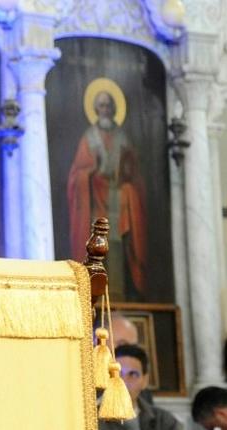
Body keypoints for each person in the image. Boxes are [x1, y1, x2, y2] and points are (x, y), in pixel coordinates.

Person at [68, 90, 146, 300]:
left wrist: (126, 179)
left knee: (118, 248)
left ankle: (118, 298)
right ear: (95, 109)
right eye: (101, 105)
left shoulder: (123, 137)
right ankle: (96, 298)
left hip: (119, 203)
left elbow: (133, 171)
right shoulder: (89, 138)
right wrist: (92, 172)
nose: (105, 109)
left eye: (108, 105)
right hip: (96, 203)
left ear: (114, 108)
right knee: (98, 249)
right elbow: (77, 174)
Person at [99, 344, 182, 430]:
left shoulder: (164, 421)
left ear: (145, 380)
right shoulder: (92, 419)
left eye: (133, 374)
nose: (124, 382)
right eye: (118, 374)